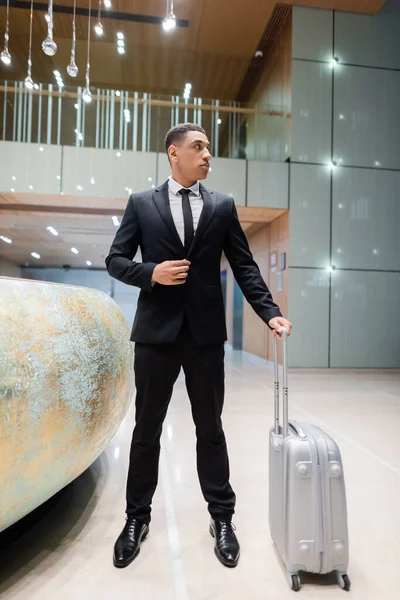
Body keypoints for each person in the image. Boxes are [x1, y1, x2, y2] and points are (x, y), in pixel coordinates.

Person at [105, 123, 292, 570]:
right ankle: (136, 518)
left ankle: (222, 518)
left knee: (210, 429)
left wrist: (270, 312)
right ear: (174, 153)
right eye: (198, 147)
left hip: (205, 337)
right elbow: (114, 260)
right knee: (146, 429)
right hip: (155, 334)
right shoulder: (141, 204)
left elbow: (245, 266)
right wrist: (150, 273)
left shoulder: (222, 207)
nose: (208, 155)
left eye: (209, 148)